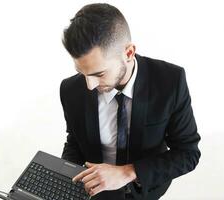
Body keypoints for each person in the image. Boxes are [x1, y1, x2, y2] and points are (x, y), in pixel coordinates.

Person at [60, 3, 201, 200]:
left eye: (99, 74)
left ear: (128, 53)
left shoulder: (170, 81)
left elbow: (188, 153)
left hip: (145, 188)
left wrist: (127, 172)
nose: (89, 85)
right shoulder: (70, 90)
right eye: (81, 72)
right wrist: (64, 182)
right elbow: (75, 142)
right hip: (92, 192)